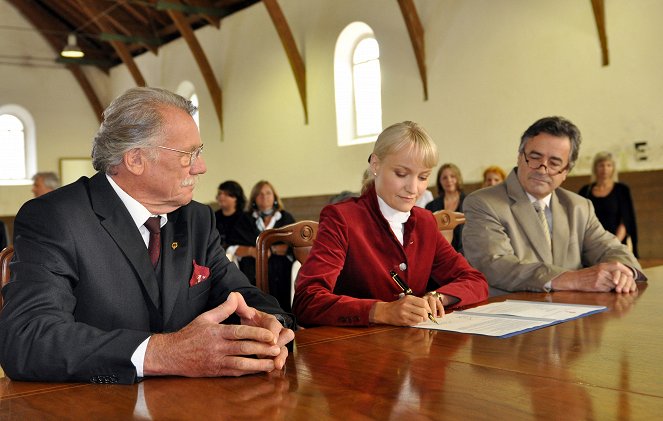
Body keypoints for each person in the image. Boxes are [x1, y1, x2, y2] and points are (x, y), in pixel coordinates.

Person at [0, 87, 294, 384]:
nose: (201, 167)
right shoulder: (57, 217)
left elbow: (238, 295)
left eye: (199, 152)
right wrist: (162, 353)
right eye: (188, 154)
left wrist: (270, 325)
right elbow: (27, 339)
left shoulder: (197, 218)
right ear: (136, 159)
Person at [292, 121, 488, 327]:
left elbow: (475, 281)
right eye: (401, 174)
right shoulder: (342, 218)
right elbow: (307, 301)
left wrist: (439, 297)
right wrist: (379, 310)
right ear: (375, 165)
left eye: (423, 177)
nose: (413, 188)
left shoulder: (424, 222)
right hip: (354, 347)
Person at [462, 116, 646, 296]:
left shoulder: (579, 206)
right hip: (507, 314)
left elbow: (611, 249)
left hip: (573, 316)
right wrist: (573, 279)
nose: (543, 169)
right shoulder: (483, 202)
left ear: (566, 171)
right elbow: (495, 265)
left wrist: (622, 272)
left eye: (554, 163)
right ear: (519, 157)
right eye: (535, 157)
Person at [234, 180, 296, 312]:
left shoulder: (285, 218)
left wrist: (271, 249)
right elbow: (232, 245)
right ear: (254, 199)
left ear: (274, 197)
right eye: (260, 194)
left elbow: (293, 244)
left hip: (281, 271)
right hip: (252, 268)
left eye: (268, 193)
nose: (265, 197)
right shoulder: (245, 219)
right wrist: (252, 251)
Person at [578, 152, 639, 258]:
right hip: (592, 245)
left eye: (608, 165)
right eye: (601, 165)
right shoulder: (585, 191)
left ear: (613, 168)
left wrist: (613, 244)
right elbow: (581, 219)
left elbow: (626, 220)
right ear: (595, 168)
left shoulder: (621, 190)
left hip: (617, 245)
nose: (605, 169)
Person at [425, 163, 465, 251]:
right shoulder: (430, 206)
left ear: (458, 178)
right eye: (444, 178)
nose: (449, 180)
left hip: (465, 253)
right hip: (439, 253)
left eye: (452, 176)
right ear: (440, 182)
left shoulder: (469, 202)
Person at [214, 180, 254, 253]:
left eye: (226, 194)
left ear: (236, 197)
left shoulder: (246, 219)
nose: (221, 197)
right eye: (219, 194)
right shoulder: (213, 217)